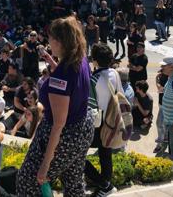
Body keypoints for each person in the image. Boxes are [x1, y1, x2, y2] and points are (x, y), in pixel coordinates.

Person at [17, 16, 94, 196]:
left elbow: (59, 123)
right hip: (82, 128)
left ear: (60, 41)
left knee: (28, 180)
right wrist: (50, 60)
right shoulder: (80, 58)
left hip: (65, 135)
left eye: (50, 38)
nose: (48, 41)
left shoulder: (61, 76)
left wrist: (45, 164)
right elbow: (68, 79)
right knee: (73, 182)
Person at [85, 43, 122, 196]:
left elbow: (90, 106)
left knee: (77, 155)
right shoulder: (114, 72)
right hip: (113, 120)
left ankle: (103, 184)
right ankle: (105, 187)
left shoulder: (94, 79)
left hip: (98, 123)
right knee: (105, 154)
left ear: (95, 60)